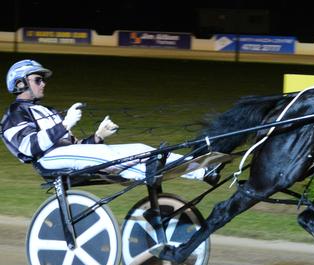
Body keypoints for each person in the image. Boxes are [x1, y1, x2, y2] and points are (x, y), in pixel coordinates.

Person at [1, 59, 218, 182]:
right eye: (37, 79)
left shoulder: (46, 110)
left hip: (63, 155)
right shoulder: (14, 114)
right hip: (48, 161)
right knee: (115, 158)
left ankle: (202, 169)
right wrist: (65, 124)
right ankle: (163, 173)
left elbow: (76, 148)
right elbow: (29, 147)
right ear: (20, 84)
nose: (43, 84)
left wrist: (98, 136)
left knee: (140, 148)